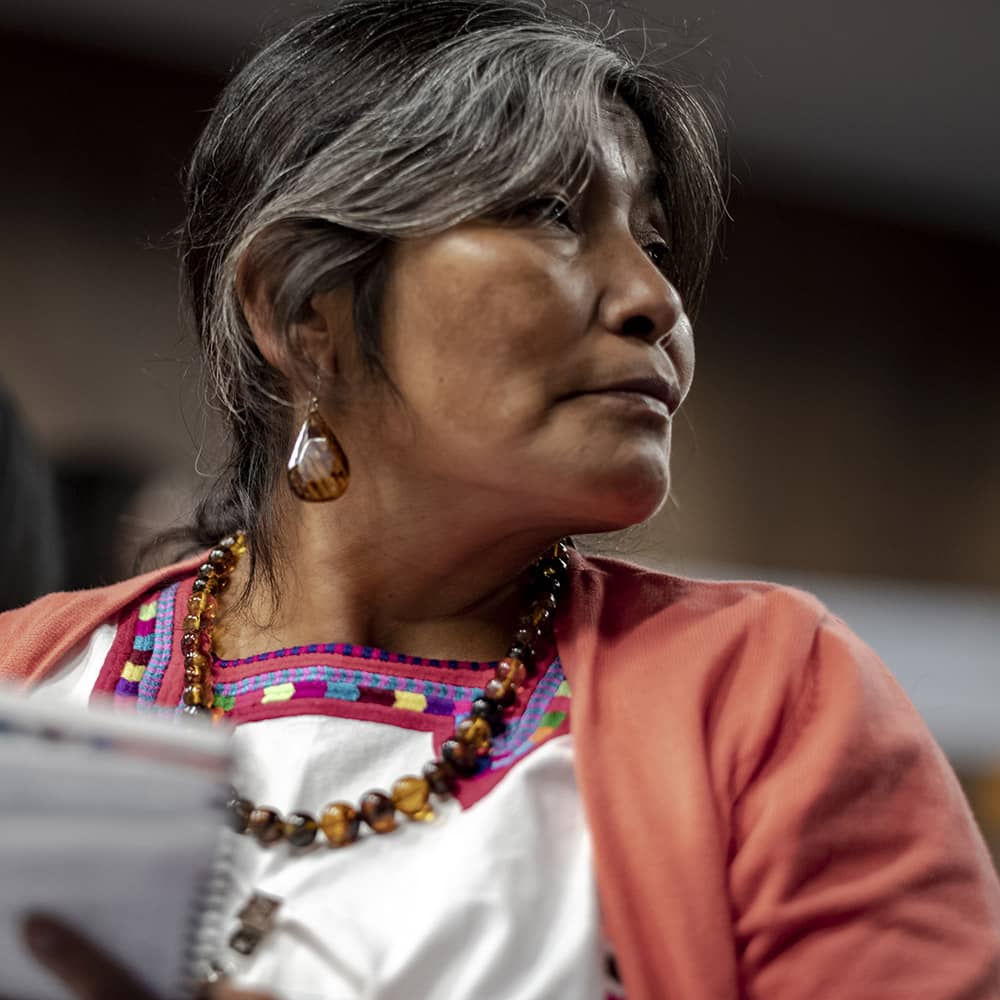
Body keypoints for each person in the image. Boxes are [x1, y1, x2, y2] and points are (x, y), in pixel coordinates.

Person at [2, 1, 999, 998]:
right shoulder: (23, 683)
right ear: (306, 311)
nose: (657, 300)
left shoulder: (773, 692)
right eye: (551, 214)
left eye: (653, 241)